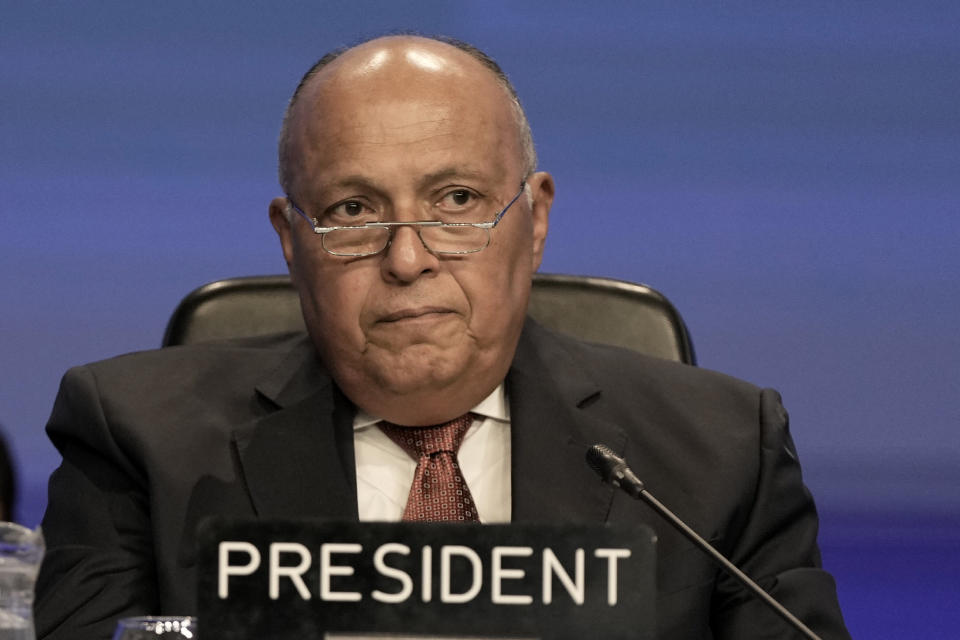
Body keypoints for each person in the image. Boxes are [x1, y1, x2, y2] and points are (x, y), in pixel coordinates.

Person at [35, 35, 850, 639]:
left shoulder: (721, 451)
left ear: (534, 221)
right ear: (291, 240)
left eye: (456, 199)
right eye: (353, 210)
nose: (408, 257)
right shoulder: (137, 437)